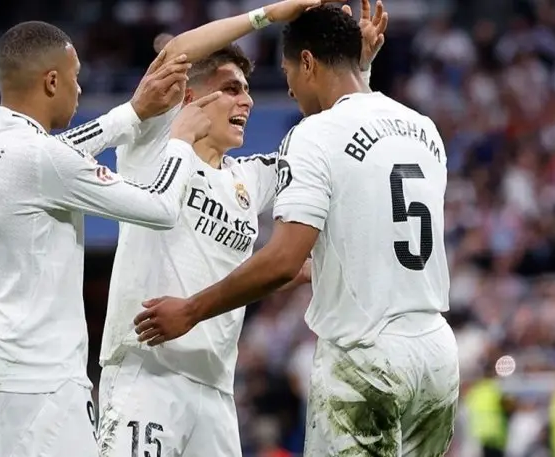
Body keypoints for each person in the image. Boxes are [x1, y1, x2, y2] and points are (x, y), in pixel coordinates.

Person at [134, 5, 460, 456]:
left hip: (366, 358)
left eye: (288, 73)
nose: (289, 90)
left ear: (307, 62)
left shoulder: (314, 135)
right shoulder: (423, 129)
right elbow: (363, 167)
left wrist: (191, 309)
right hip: (436, 356)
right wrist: (359, 67)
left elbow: (284, 259)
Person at [97, 1, 385, 456]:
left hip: (215, 390)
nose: (246, 101)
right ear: (189, 97)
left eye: (247, 91)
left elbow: (331, 137)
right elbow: (176, 52)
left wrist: (355, 70)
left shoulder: (249, 178)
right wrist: (268, 15)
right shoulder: (155, 148)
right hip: (147, 374)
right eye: (231, 89)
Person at [0, 21, 221, 457]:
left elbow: (57, 156)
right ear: (52, 81)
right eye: (76, 78)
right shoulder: (42, 157)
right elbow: (161, 208)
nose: (80, 89)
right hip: (34, 379)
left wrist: (132, 113)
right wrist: (181, 141)